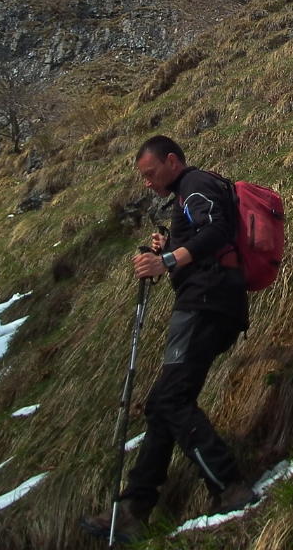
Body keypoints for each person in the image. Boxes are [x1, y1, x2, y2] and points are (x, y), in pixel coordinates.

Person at [82, 135, 258, 543]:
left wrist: (166, 260)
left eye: (149, 173)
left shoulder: (195, 184)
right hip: (208, 303)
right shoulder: (186, 194)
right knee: (163, 404)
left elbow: (217, 229)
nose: (146, 182)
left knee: (171, 399)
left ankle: (228, 485)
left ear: (172, 161)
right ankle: (134, 509)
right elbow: (204, 233)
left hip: (207, 303)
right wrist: (173, 244)